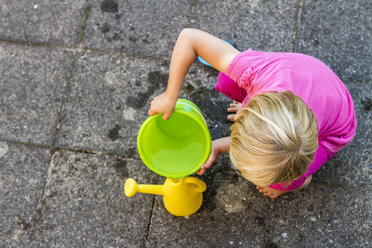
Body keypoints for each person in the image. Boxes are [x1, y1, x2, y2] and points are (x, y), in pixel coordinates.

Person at [148, 28, 357, 198]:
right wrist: (170, 96)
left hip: (334, 126)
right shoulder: (257, 72)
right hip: (294, 74)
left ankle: (298, 182)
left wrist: (219, 146)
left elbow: (278, 149)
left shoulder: (302, 151)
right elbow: (189, 37)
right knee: (226, 80)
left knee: (285, 181)